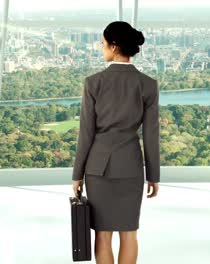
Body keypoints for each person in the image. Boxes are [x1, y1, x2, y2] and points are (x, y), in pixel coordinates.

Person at [72, 21, 160, 264]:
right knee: (129, 232)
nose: (101, 49)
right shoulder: (148, 84)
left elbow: (86, 133)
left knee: (103, 234)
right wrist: (154, 176)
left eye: (103, 44)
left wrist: (77, 174)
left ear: (114, 46)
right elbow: (151, 135)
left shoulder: (93, 83)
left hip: (97, 169)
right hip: (131, 168)